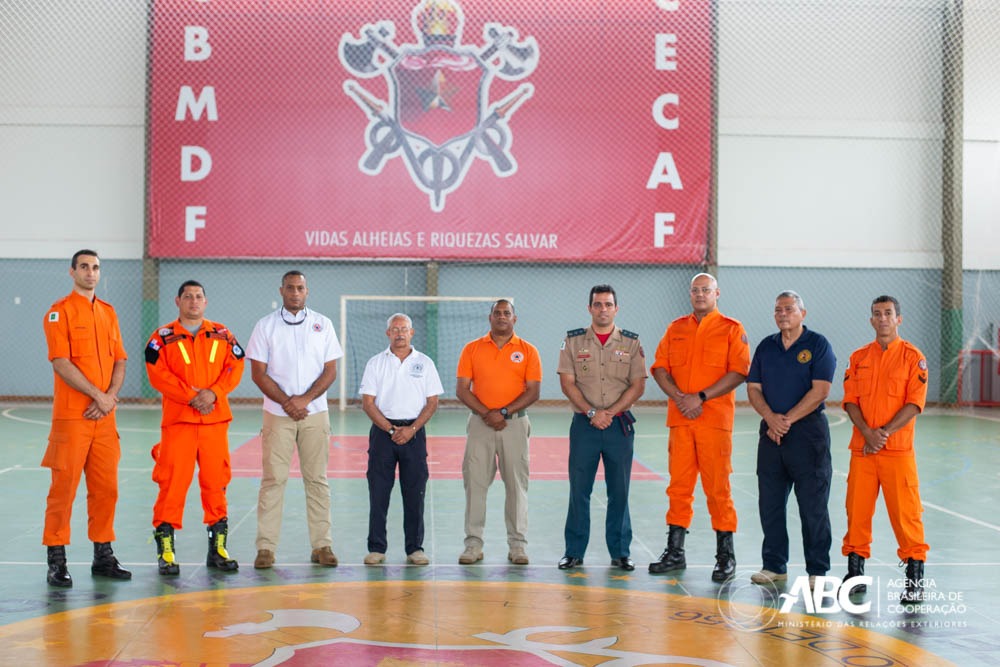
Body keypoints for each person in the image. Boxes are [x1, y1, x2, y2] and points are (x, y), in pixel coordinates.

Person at [648, 272, 750, 581]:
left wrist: (701, 397)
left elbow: (739, 371)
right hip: (681, 420)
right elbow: (660, 368)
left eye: (706, 290)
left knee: (718, 488)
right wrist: (680, 398)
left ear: (717, 293)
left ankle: (725, 556)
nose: (700, 294)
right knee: (678, 487)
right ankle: (675, 552)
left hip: (714, 422)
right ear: (690, 294)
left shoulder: (731, 329)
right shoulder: (675, 328)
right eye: (695, 290)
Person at [41, 249, 131, 587]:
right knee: (63, 490)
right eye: (84, 267)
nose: (91, 273)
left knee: (106, 489)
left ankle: (103, 556)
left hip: (104, 418)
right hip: (72, 417)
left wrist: (109, 398)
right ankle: (56, 559)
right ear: (72, 272)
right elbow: (61, 362)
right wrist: (98, 395)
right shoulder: (59, 312)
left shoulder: (108, 312)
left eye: (95, 267)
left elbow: (120, 359)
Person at [145, 280, 244, 575]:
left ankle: (218, 549)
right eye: (188, 296)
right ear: (178, 301)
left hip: (214, 420)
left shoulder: (223, 334)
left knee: (216, 483)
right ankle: (166, 552)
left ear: (205, 301)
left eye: (199, 296)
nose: (194, 301)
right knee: (172, 483)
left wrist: (213, 393)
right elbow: (157, 374)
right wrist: (191, 396)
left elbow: (235, 366)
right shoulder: (162, 337)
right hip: (179, 421)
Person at [245, 270, 342, 569]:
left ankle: (322, 545)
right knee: (273, 480)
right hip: (277, 415)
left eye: (300, 288)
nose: (295, 293)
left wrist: (305, 399)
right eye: (290, 288)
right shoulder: (265, 326)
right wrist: (287, 402)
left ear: (307, 291)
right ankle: (266, 548)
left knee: (317, 479)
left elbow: (330, 371)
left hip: (315, 414)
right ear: (281, 291)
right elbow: (258, 373)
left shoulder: (323, 324)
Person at [841, 295, 929, 603]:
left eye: (888, 313)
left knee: (906, 516)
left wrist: (883, 433)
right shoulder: (858, 357)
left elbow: (914, 403)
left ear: (898, 319)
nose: (882, 319)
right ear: (871, 320)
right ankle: (855, 576)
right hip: (863, 451)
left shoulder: (913, 357)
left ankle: (915, 580)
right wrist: (868, 433)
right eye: (877, 314)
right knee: (857, 513)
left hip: (897, 452)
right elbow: (850, 400)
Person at [746, 291, 836, 586]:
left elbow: (821, 390)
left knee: (813, 506)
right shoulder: (766, 346)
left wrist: (786, 420)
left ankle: (817, 570)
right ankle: (774, 565)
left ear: (802, 313)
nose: (782, 314)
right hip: (771, 435)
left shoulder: (818, 345)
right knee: (770, 504)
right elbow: (753, 388)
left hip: (808, 435)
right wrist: (771, 418)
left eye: (788, 309)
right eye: (778, 310)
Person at [556, 285, 646, 571]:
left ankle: (620, 552)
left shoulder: (631, 342)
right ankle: (574, 552)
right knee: (579, 490)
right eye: (598, 304)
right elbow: (567, 383)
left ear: (616, 309)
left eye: (608, 304)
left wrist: (610, 413)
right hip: (585, 426)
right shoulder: (573, 341)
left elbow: (638, 385)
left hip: (618, 427)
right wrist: (592, 412)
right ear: (590, 308)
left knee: (619, 491)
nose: (603, 309)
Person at [456, 299, 542, 565]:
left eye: (507, 313)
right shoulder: (472, 349)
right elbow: (462, 389)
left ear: (515, 318)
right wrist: (487, 414)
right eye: (497, 313)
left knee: (516, 486)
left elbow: (533, 392)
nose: (502, 316)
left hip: (514, 425)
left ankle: (517, 546)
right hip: (480, 425)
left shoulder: (528, 351)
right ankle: (473, 545)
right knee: (475, 485)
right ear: (490, 317)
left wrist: (502, 413)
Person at [359, 313, 443, 566]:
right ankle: (377, 548)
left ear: (411, 333)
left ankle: (415, 548)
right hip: (383, 433)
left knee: (414, 493)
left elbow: (432, 402)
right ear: (388, 333)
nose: (399, 333)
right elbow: (368, 403)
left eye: (404, 329)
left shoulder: (425, 363)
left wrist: (411, 429)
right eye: (395, 329)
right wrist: (390, 430)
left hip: (414, 434)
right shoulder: (376, 363)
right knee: (378, 493)